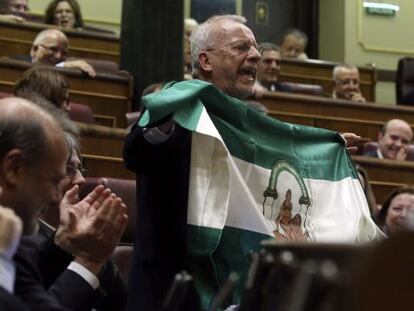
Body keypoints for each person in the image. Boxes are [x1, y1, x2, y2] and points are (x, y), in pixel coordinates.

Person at [124, 15, 368, 310]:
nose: (255, 55)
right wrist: (168, 117)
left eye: (256, 49)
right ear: (205, 60)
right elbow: (137, 152)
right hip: (170, 291)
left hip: (232, 293)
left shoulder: (246, 125)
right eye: (241, 48)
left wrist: (321, 151)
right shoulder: (177, 104)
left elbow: (278, 157)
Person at [0, 96, 127, 310]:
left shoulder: (8, 235)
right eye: (54, 181)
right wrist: (89, 260)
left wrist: (63, 243)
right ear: (14, 169)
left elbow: (32, 296)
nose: (55, 198)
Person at [29, 29, 96, 77]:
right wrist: (63, 65)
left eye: (64, 53)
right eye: (53, 49)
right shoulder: (19, 65)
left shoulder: (66, 75)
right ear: (35, 49)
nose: (58, 56)